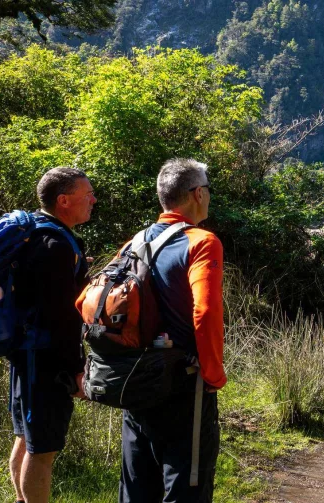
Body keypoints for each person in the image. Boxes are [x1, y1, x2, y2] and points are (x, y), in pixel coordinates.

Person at [120, 158, 227, 502]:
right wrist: (212, 375)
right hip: (184, 387)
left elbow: (87, 302)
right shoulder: (202, 241)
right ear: (197, 194)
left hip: (135, 383)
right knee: (186, 489)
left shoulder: (133, 243)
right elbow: (205, 311)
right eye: (208, 190)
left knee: (138, 489)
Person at [8, 166, 95, 503]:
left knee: (25, 438)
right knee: (42, 449)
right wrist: (76, 369)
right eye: (86, 194)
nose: (93, 200)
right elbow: (60, 318)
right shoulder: (54, 244)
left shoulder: (37, 233)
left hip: (27, 355)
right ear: (63, 201)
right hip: (45, 360)